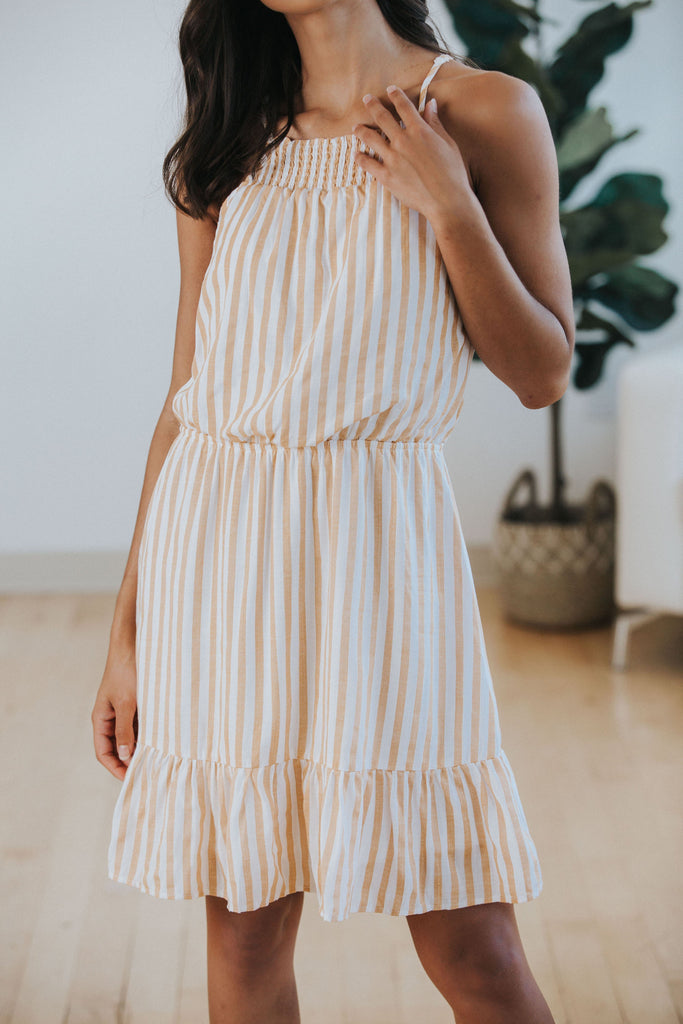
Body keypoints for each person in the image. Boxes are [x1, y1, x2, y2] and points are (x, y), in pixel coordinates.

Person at [91, 0, 574, 1019]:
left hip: (384, 561)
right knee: (245, 929)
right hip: (218, 556)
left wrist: (449, 204)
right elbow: (187, 399)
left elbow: (538, 371)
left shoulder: (483, 113)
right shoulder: (229, 134)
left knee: (470, 940)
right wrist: (127, 630)